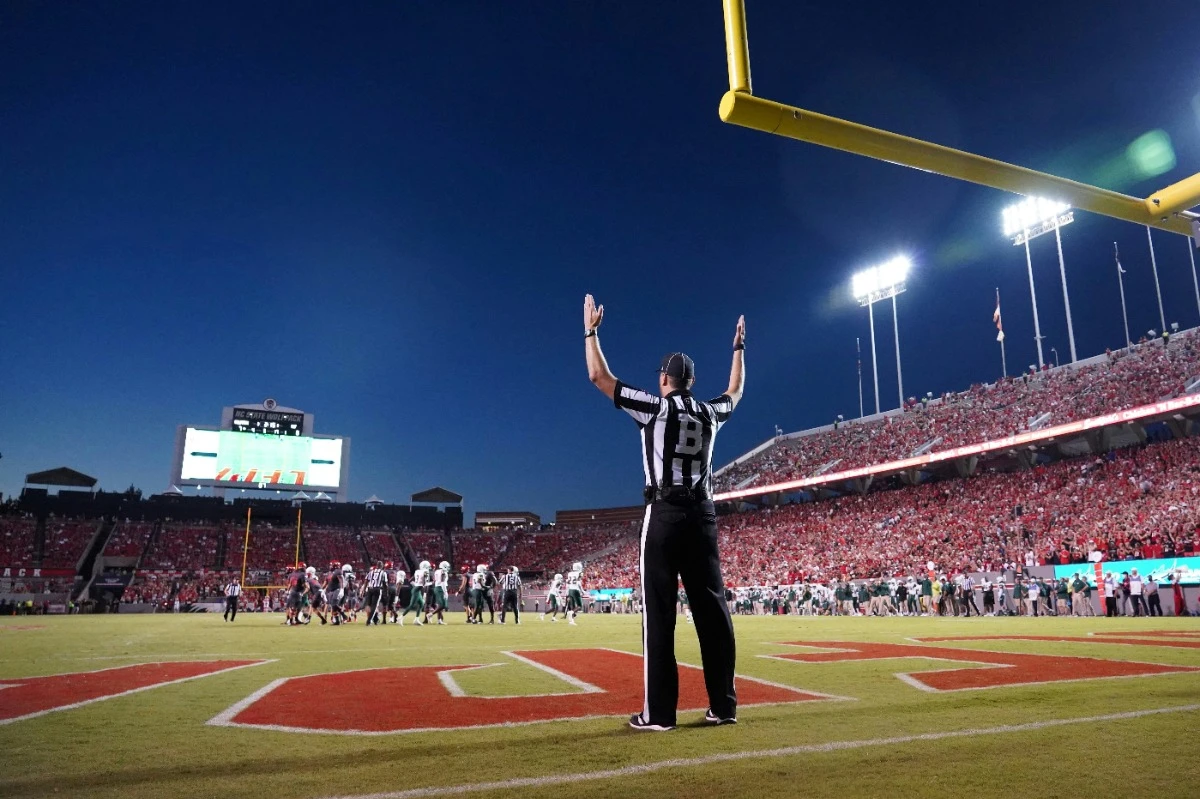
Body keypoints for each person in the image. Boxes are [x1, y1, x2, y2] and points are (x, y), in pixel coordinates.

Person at [583, 293, 743, 732]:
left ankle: (660, 714)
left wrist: (591, 332)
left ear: (664, 379)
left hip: (665, 513)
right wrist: (738, 350)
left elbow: (599, 376)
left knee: (659, 615)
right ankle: (724, 706)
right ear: (690, 381)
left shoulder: (655, 407)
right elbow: (735, 392)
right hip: (704, 517)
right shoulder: (709, 413)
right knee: (713, 611)